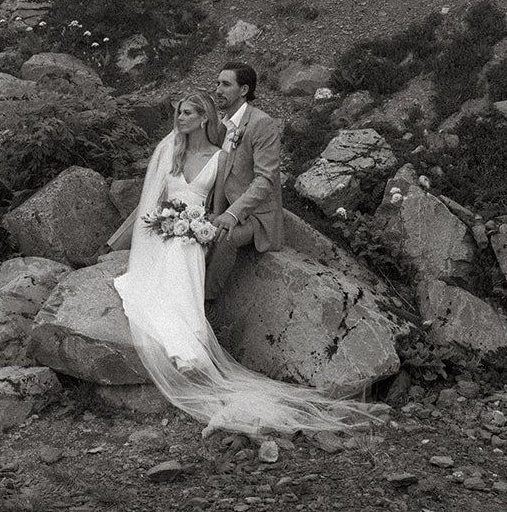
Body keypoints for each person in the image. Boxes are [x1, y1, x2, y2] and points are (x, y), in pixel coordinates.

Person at [107, 89, 381, 438]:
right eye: (179, 113)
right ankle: (181, 338)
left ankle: (189, 336)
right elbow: (151, 200)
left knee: (184, 254)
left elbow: (217, 206)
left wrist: (200, 229)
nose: (181, 118)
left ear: (204, 118)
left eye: (188, 113)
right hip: (163, 226)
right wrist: (155, 228)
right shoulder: (169, 152)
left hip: (193, 229)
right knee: (161, 265)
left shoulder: (220, 158)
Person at [204, 62, 283, 300]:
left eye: (226, 84)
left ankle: (207, 300)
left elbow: (265, 179)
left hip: (255, 215)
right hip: (222, 204)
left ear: (244, 90)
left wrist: (233, 214)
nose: (218, 90)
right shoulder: (221, 123)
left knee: (225, 237)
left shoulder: (262, 124)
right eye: (217, 83)